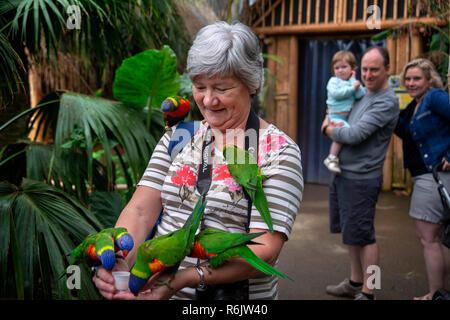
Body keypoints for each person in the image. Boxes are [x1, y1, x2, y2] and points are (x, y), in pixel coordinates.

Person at [92, 21, 303, 300]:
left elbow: (266, 247)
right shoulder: (178, 137)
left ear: (250, 84)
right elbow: (141, 211)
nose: (208, 99)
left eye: (222, 88)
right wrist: (122, 259)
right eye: (199, 86)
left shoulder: (278, 151)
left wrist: (185, 278)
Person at [321, 46, 399, 300]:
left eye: (374, 69)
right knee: (351, 232)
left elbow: (354, 134)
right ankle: (355, 282)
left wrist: (327, 130)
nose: (368, 74)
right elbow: (337, 111)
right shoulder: (362, 94)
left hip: (363, 178)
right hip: (344, 173)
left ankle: (369, 290)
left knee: (366, 237)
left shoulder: (387, 101)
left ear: (387, 69)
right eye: (364, 69)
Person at [394, 58, 450, 300]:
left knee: (428, 238)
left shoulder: (435, 97)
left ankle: (434, 294)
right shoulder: (413, 106)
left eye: (417, 78)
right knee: (441, 238)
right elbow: (401, 128)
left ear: (429, 80)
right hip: (428, 177)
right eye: (407, 79)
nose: (411, 82)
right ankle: (443, 293)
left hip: (434, 176)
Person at [323, 50, 366, 174]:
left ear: (352, 68)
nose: (340, 70)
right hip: (335, 115)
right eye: (337, 67)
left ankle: (337, 158)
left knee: (344, 135)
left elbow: (360, 94)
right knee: (344, 134)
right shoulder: (333, 82)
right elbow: (336, 94)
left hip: (346, 117)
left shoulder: (351, 83)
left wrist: (353, 81)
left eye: (344, 67)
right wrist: (353, 88)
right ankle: (331, 158)